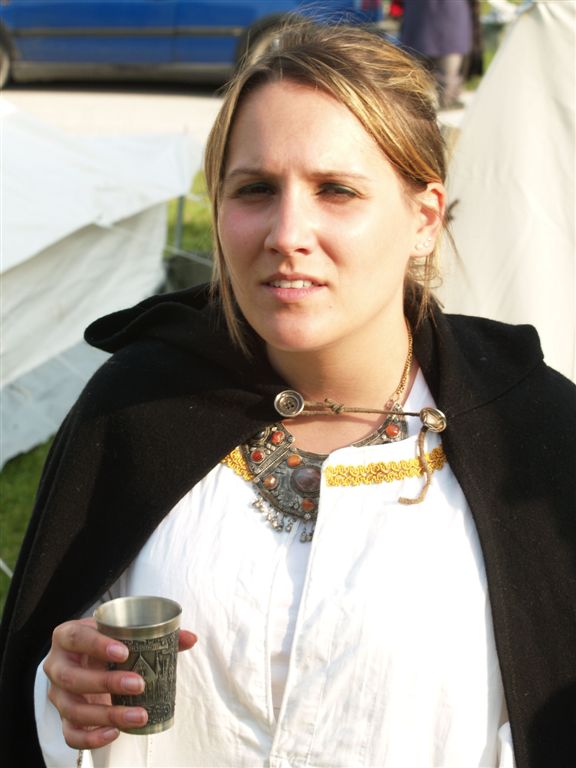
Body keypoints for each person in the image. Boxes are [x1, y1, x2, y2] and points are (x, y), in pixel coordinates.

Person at [0, 19, 575, 768]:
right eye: (256, 190)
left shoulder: (531, 433)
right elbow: (40, 674)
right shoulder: (137, 407)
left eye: (337, 190)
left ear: (424, 219)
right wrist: (63, 687)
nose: (287, 232)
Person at [400, 0, 482, 109]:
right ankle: (446, 102)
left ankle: (433, 105)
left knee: (417, 80)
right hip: (447, 25)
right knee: (444, 79)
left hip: (421, 25)